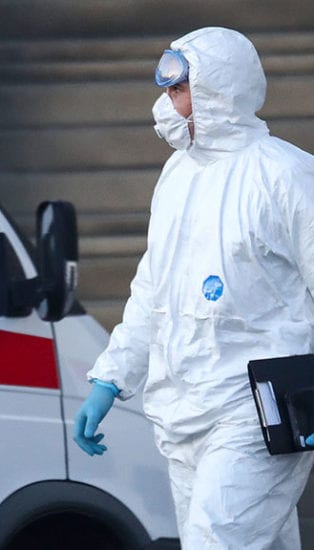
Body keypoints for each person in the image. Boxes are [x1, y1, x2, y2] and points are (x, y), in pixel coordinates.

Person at [73, 27, 314, 549]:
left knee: (215, 539)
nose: (167, 104)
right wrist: (110, 379)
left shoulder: (287, 176)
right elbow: (153, 288)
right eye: (166, 90)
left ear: (217, 90)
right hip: (182, 411)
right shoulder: (177, 175)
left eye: (178, 89)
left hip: (258, 410)